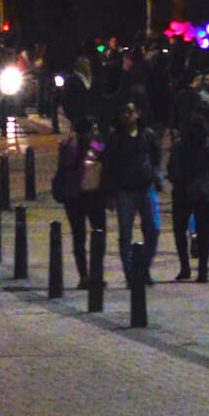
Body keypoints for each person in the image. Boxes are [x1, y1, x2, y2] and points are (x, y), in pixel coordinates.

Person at [166, 97, 209, 284]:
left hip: (183, 191)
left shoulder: (179, 146)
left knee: (180, 230)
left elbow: (171, 168)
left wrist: (176, 180)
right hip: (205, 192)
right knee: (204, 231)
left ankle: (185, 267)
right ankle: (202, 271)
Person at [101, 95, 162, 272]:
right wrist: (109, 194)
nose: (126, 116)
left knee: (153, 230)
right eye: (123, 113)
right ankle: (129, 272)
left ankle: (143, 268)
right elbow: (108, 166)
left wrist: (155, 175)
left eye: (130, 112)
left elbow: (156, 157)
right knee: (125, 233)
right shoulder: (115, 138)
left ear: (138, 114)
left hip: (145, 188)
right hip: (124, 191)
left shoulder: (147, 134)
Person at [51, 118, 98, 285]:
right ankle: (94, 273)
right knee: (97, 235)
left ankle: (84, 275)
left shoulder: (69, 145)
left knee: (79, 237)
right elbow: (105, 154)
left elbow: (63, 162)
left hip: (72, 196)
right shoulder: (93, 146)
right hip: (90, 195)